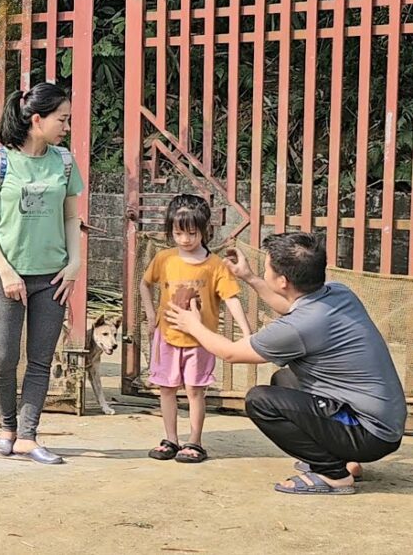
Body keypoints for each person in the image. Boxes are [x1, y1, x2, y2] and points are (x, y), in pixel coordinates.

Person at [167, 232, 406, 494]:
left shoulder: (299, 327)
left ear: (282, 280)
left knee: (261, 401)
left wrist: (193, 326)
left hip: (369, 434)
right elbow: (289, 305)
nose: (264, 269)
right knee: (285, 381)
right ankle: (345, 459)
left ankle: (332, 473)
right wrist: (249, 277)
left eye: (266, 267)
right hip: (381, 422)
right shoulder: (338, 293)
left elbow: (232, 354)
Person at [0, 82, 84, 464]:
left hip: (52, 278)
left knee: (40, 359)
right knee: (3, 358)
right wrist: (4, 270)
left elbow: (71, 216)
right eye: (61, 119)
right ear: (37, 119)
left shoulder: (64, 162)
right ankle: (6, 429)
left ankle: (28, 436)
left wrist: (74, 263)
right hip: (6, 277)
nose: (66, 126)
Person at [140, 194, 252, 464]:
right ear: (171, 232)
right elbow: (145, 284)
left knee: (194, 390)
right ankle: (170, 439)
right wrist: (151, 314)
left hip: (201, 341)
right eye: (179, 233)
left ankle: (195, 441)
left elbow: (231, 298)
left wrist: (247, 333)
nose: (185, 239)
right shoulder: (164, 258)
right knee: (166, 389)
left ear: (205, 231)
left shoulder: (214, 265)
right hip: (167, 336)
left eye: (192, 233)